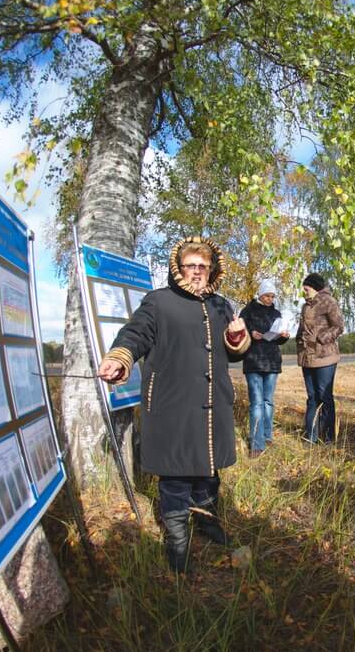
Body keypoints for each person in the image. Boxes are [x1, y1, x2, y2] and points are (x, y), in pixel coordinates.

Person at [98, 236, 250, 573]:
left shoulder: (222, 306)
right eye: (191, 266)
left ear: (212, 271)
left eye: (203, 267)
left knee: (208, 472)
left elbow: (235, 351)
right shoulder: (158, 302)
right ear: (177, 268)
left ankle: (207, 522)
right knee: (176, 475)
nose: (197, 272)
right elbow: (134, 334)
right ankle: (177, 539)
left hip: (213, 403)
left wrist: (238, 337)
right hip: (172, 403)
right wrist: (120, 358)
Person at [239, 279, 291, 458]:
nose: (271, 299)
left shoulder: (276, 312)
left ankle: (267, 436)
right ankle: (256, 444)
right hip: (253, 360)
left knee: (268, 402)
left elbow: (278, 337)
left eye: (273, 296)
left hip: (272, 361)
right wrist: (250, 333)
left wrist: (283, 336)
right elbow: (238, 332)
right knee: (257, 404)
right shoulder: (248, 311)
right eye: (268, 295)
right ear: (260, 294)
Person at [296, 273, 344, 444]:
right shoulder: (305, 306)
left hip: (325, 357)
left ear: (315, 287)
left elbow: (339, 326)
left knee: (325, 396)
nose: (304, 291)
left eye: (306, 288)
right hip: (307, 358)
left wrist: (320, 338)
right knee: (312, 397)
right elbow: (304, 329)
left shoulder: (329, 302)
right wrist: (299, 339)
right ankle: (311, 437)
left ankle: (329, 438)